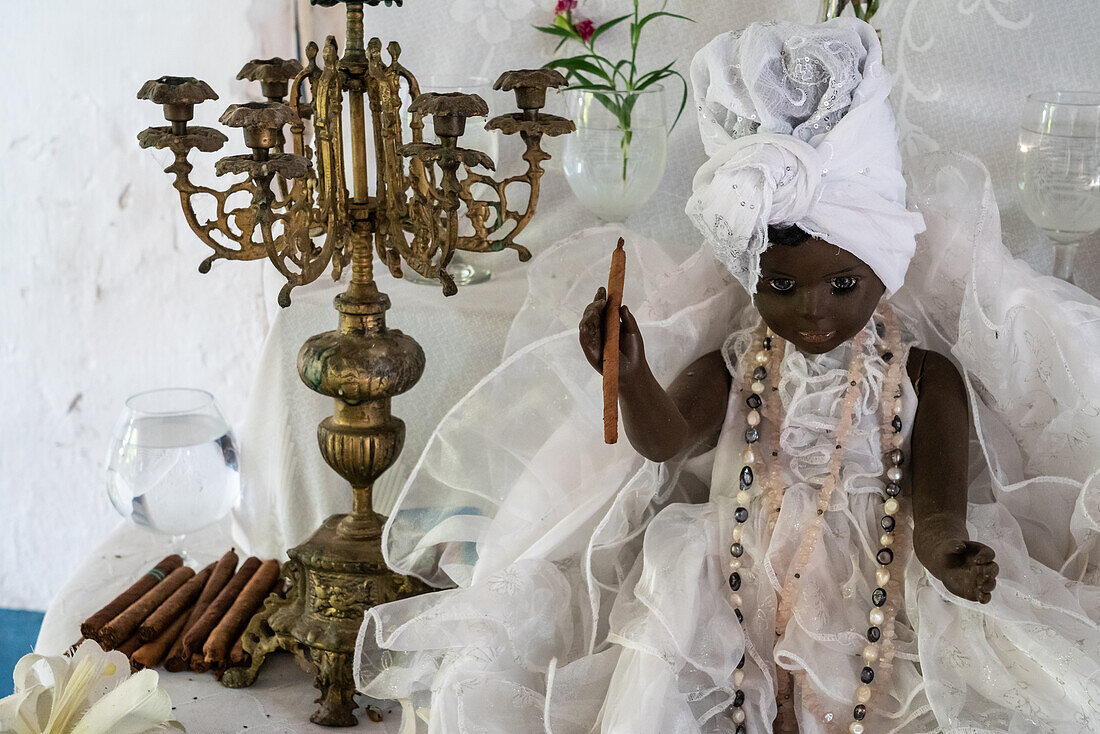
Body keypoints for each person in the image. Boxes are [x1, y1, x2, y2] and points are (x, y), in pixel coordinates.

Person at [356, 18, 1100, 733]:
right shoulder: (741, 360)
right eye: (781, 286)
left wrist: (943, 549)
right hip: (735, 580)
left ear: (885, 265)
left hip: (874, 579)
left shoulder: (924, 375)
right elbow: (665, 441)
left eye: (842, 285)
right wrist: (633, 373)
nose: (813, 312)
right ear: (749, 279)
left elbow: (935, 502)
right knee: (676, 633)